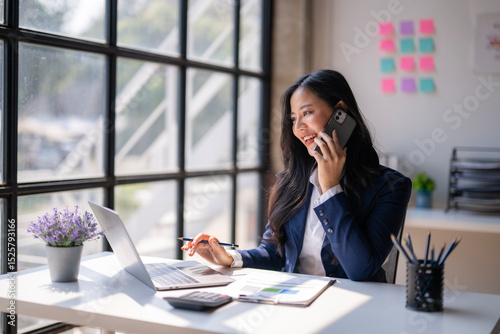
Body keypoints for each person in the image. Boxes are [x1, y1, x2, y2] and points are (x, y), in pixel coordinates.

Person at [181, 69, 412, 282]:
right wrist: (230, 258)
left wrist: (330, 188)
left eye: (307, 113)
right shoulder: (291, 181)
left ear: (340, 111)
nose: (298, 127)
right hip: (295, 304)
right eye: (293, 118)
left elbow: (360, 269)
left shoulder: (391, 187)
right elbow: (274, 253)